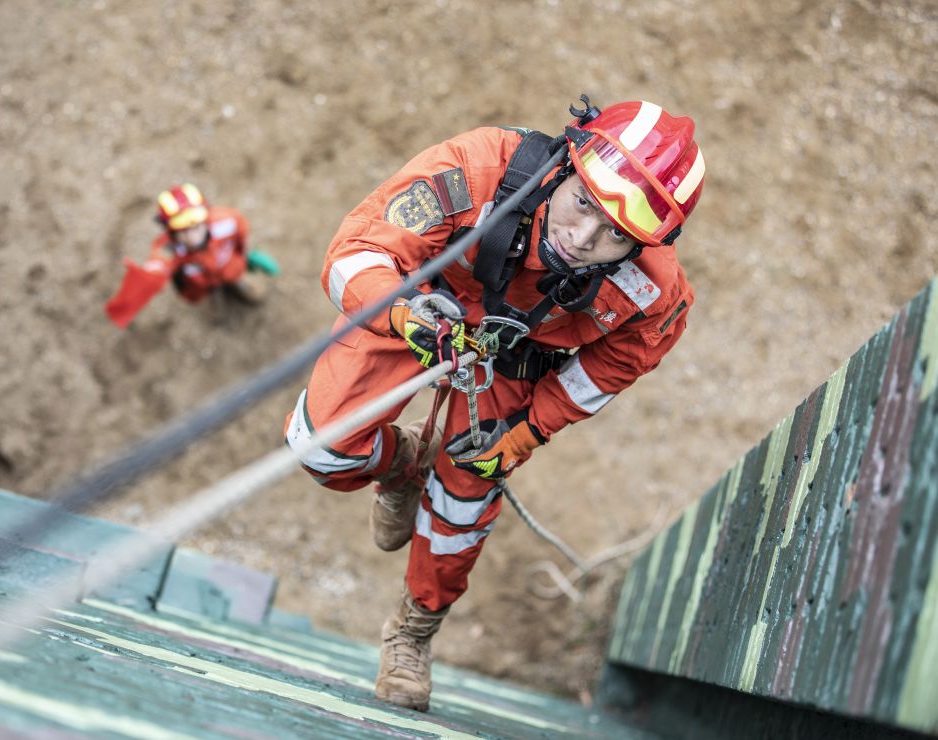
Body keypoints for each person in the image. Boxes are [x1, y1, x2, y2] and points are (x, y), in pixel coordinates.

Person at [284, 97, 706, 711]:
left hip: (512, 364)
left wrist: (526, 433)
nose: (582, 238)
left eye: (617, 234)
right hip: (419, 313)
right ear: (566, 165)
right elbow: (357, 254)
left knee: (462, 503)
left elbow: (614, 366)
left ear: (648, 242)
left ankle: (413, 632)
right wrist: (403, 313)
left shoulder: (653, 290)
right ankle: (404, 466)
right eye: (584, 203)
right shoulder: (477, 169)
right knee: (320, 449)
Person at [105, 183, 279, 328]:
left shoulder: (227, 221)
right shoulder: (170, 249)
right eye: (183, 230)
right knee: (212, 295)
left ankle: (240, 285)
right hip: (203, 284)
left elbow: (241, 236)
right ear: (169, 229)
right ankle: (216, 302)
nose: (192, 237)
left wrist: (246, 257)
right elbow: (158, 264)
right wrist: (148, 276)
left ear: (206, 216)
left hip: (229, 268)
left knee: (237, 279)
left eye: (196, 226)